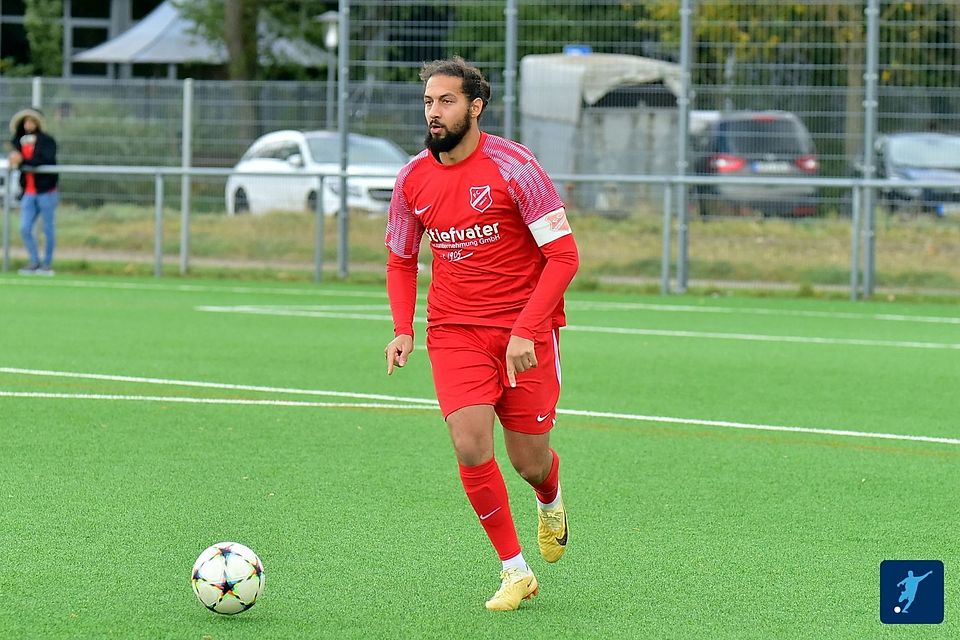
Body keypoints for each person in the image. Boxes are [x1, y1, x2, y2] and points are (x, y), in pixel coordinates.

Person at [383, 56, 579, 611]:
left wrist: (526, 330)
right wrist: (404, 328)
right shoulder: (412, 178)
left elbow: (564, 256)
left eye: (446, 101)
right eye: (428, 101)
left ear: (475, 107)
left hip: (525, 333)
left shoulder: (516, 167)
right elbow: (401, 260)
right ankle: (515, 571)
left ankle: (550, 496)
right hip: (454, 330)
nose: (434, 112)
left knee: (528, 462)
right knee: (470, 446)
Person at [8, 107, 58, 275]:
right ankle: (34, 261)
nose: (29, 124)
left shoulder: (47, 141)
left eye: (32, 121)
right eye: (26, 121)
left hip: (46, 191)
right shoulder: (19, 143)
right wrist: (17, 160)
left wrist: (23, 160)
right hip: (29, 192)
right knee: (24, 227)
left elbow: (44, 160)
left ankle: (47, 264)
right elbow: (17, 161)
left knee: (47, 228)